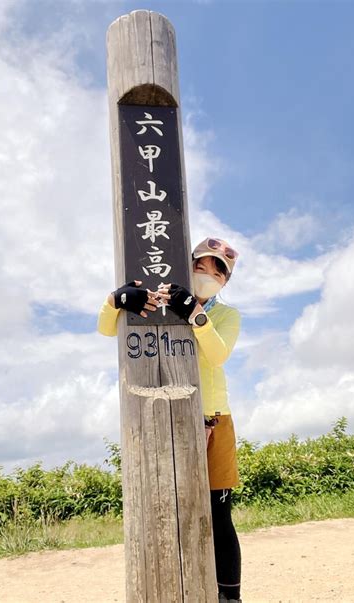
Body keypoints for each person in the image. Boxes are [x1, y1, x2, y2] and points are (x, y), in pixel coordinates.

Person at [97, 237, 242, 603]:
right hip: (167, 415)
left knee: (218, 513)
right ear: (186, 263)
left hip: (215, 418)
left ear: (226, 280)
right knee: (164, 506)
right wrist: (114, 300)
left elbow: (217, 354)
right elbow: (107, 328)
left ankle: (230, 597)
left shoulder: (226, 316)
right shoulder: (160, 302)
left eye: (218, 270)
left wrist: (195, 313)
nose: (208, 272)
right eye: (201, 263)